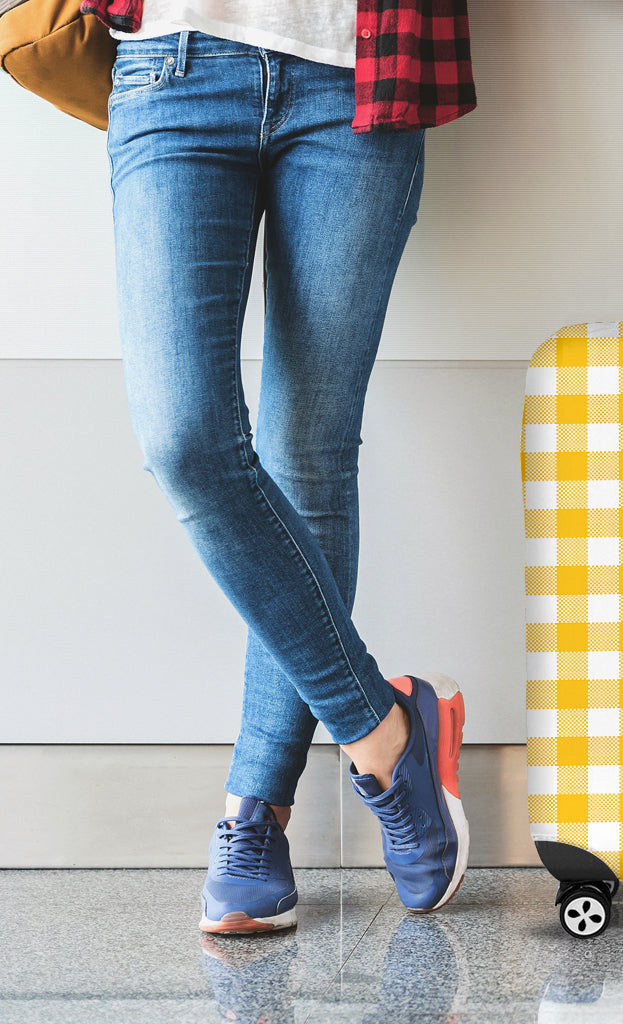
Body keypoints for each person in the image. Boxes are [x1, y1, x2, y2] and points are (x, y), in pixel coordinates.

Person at [86, 0, 476, 933]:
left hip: (359, 79)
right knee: (184, 441)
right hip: (173, 69)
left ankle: (255, 813)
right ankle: (386, 731)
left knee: (307, 456)